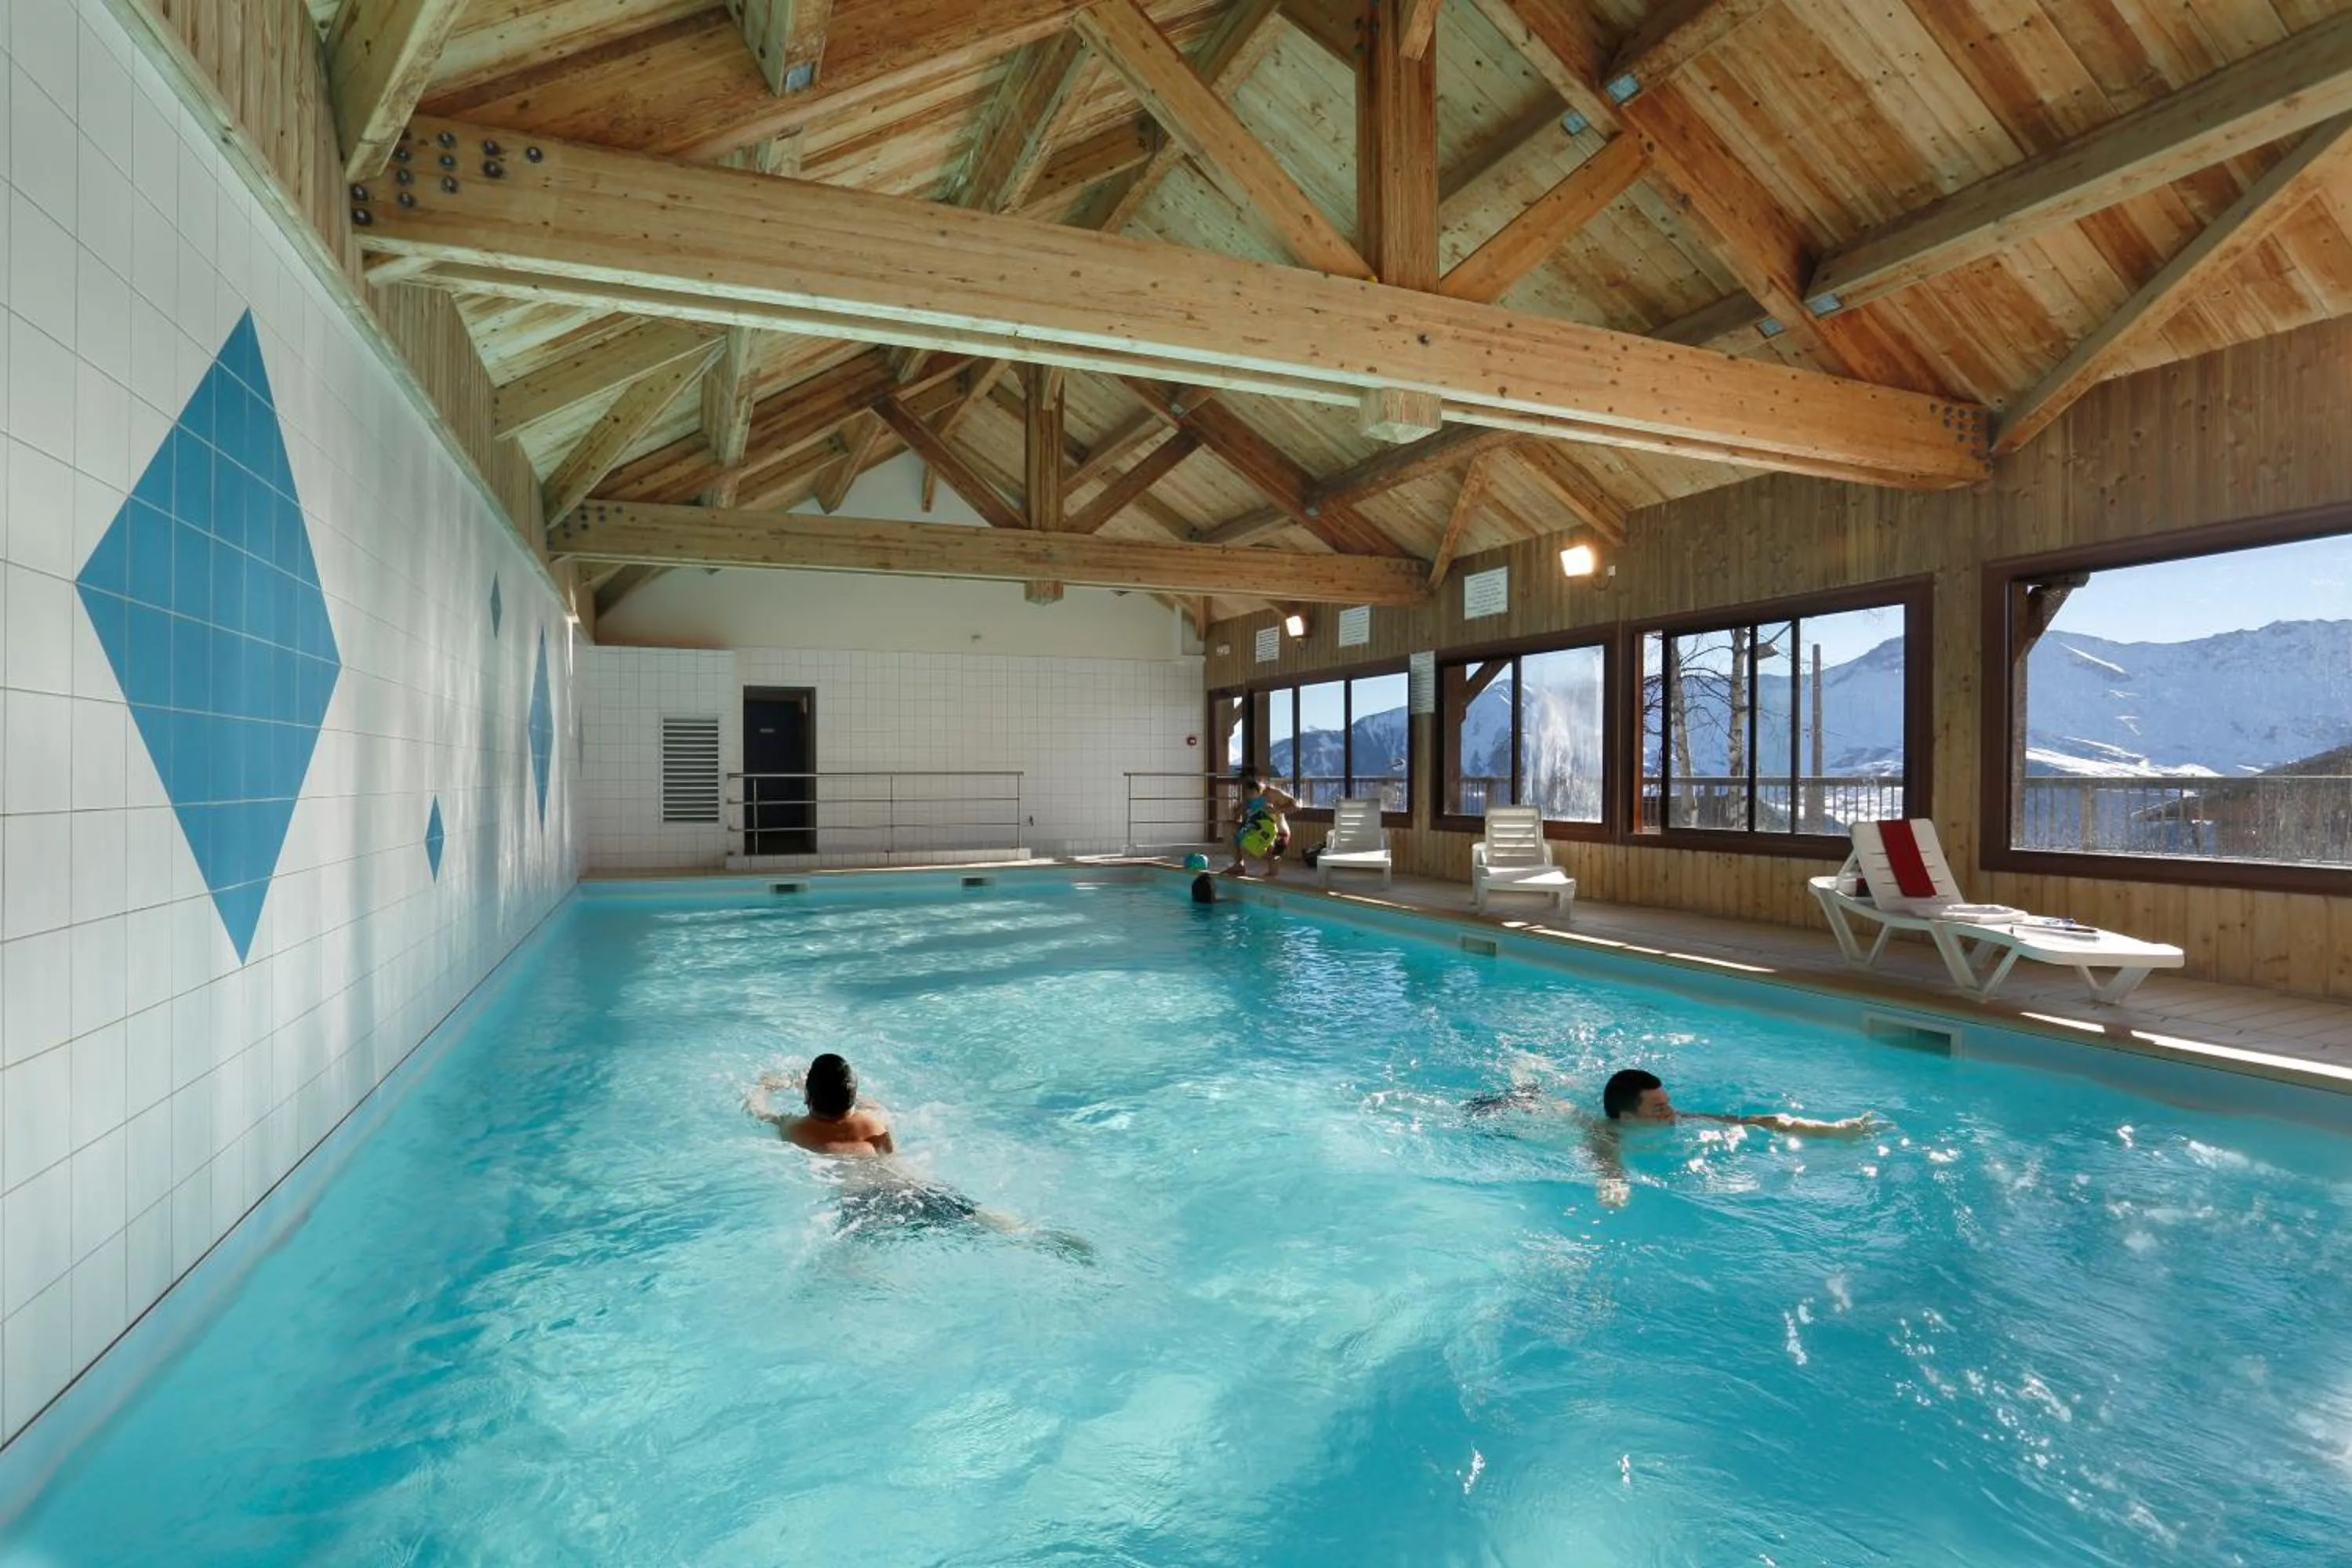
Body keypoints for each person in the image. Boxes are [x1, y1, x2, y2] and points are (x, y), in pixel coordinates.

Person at [745, 1055, 1092, 1258]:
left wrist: (766, 1085)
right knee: (974, 1215)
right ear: (853, 1097)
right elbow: (889, 1150)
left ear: (809, 1098)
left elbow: (758, 1110)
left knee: (850, 1255)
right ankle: (1033, 1236)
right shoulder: (875, 1119)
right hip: (913, 1186)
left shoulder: (794, 1129)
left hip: (862, 1201)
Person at [1599, 1068, 1882, 1138]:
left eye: (1668, 1104)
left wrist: (1832, 1130)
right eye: (1659, 1108)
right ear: (1626, 1117)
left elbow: (1754, 1121)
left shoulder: (1677, 1117)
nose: (1670, 1113)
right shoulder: (1608, 1137)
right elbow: (1607, 1166)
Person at [1225, 773, 1296, 879]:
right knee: (1228, 827)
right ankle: (1239, 865)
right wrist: (1238, 810)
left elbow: (1296, 804)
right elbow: (1238, 818)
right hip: (1257, 829)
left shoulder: (1272, 794)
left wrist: (1277, 810)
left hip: (1279, 834)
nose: (1246, 792)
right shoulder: (1247, 799)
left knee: (1262, 850)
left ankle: (1273, 862)